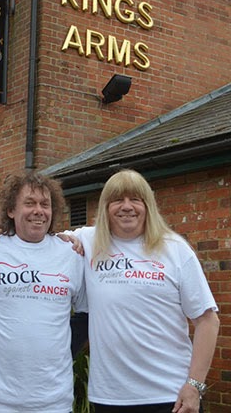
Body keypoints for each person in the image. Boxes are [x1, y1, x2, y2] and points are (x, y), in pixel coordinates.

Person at [70, 169, 219, 413]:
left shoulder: (175, 248)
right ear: (105, 207)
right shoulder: (89, 240)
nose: (127, 206)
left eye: (135, 199)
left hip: (170, 396)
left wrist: (194, 386)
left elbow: (207, 321)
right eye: (117, 200)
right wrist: (64, 241)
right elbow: (40, 240)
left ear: (148, 206)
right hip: (110, 398)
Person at [0, 171, 87, 413]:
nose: (38, 211)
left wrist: (60, 351)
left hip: (53, 401)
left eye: (45, 204)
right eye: (29, 203)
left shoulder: (71, 253)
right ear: (11, 210)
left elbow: (86, 314)